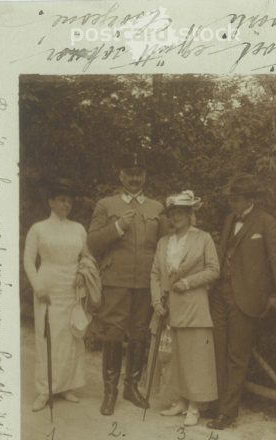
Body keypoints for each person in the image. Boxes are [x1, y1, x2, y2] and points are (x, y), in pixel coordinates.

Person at [208, 174, 276, 430]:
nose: (231, 204)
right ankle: (215, 404)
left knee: (237, 355)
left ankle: (227, 413)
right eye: (231, 199)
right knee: (217, 349)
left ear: (248, 199)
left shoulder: (266, 222)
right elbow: (222, 253)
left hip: (246, 297)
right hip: (220, 294)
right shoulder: (229, 220)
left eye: (235, 199)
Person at [87, 150, 168, 416]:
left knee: (139, 334)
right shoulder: (106, 205)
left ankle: (131, 387)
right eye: (130, 173)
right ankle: (109, 391)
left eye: (139, 173)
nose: (135, 178)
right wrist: (118, 227)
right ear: (121, 174)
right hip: (116, 281)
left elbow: (166, 246)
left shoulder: (157, 208)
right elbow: (93, 242)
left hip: (146, 283)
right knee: (112, 333)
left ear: (145, 176)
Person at [150, 191, 220, 426]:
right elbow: (156, 274)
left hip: (194, 306)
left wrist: (188, 282)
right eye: (173, 213)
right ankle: (179, 401)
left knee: (196, 358)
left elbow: (213, 269)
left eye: (181, 212)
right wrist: (157, 302)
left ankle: (194, 405)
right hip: (169, 308)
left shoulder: (203, 238)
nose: (176, 217)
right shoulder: (164, 242)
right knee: (176, 358)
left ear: (190, 214)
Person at [23, 178, 90, 412]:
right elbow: (29, 261)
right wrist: (37, 285)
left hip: (71, 288)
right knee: (47, 337)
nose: (66, 205)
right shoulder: (38, 228)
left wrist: (82, 273)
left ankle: (66, 386)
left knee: (70, 338)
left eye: (69, 201)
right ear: (51, 202)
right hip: (48, 286)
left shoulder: (78, 229)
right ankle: (44, 390)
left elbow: (87, 258)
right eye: (62, 200)